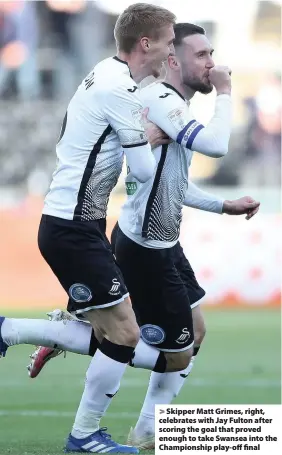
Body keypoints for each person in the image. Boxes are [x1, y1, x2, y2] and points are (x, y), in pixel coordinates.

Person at [0, 21, 260, 450]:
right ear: (171, 57)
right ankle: (121, 419)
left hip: (160, 239)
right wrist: (228, 93)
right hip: (143, 245)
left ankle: (142, 425)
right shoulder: (158, 101)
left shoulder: (162, 100)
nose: (213, 64)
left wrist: (223, 206)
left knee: (191, 335)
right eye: (202, 55)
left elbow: (169, 182)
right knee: (153, 348)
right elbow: (214, 146)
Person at [0, 3, 177, 453]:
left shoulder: (105, 72)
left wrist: (145, 130)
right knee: (125, 335)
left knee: (112, 333)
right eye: (168, 42)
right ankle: (84, 436)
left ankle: (10, 331)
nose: (170, 52)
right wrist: (165, 135)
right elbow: (141, 167)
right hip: (72, 226)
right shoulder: (120, 90)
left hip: (80, 223)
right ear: (145, 44)